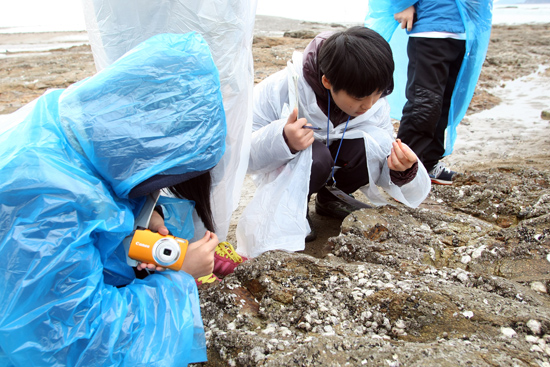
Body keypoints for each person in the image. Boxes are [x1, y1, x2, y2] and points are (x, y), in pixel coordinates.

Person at [0, 32, 224, 366]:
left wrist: (143, 213)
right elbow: (74, 343)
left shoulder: (69, 122)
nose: (158, 188)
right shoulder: (47, 199)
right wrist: (181, 277)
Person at [236, 27, 431, 258]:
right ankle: (297, 207)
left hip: (337, 160)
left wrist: (402, 170)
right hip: (297, 164)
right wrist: (284, 140)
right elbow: (242, 154)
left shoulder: (369, 92)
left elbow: (379, 152)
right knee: (315, 157)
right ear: (327, 81)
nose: (369, 105)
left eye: (377, 94)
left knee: (375, 143)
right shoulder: (282, 88)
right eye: (359, 98)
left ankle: (331, 199)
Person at [366, 0, 494, 185]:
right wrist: (402, 4)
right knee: (424, 103)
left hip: (465, 30)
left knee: (445, 103)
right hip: (431, 28)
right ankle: (402, 172)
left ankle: (428, 164)